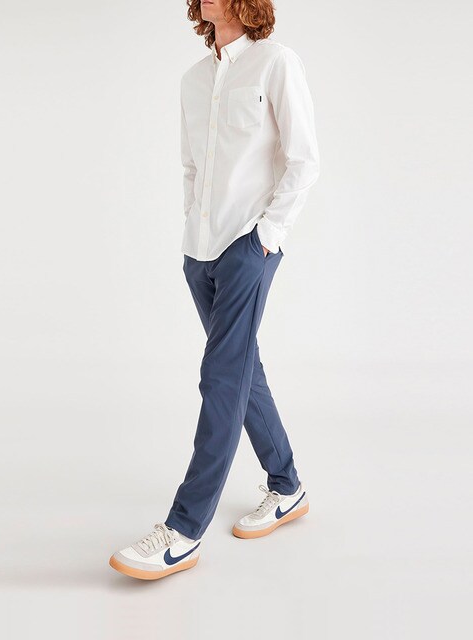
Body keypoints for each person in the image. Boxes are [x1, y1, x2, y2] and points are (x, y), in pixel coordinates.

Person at [109, 0, 320, 580]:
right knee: (242, 367)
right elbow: (191, 167)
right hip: (199, 252)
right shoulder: (193, 79)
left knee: (221, 377)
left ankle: (183, 530)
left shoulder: (276, 62)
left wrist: (266, 238)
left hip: (248, 247)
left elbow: (304, 160)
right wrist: (190, 233)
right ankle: (287, 485)